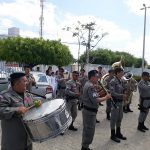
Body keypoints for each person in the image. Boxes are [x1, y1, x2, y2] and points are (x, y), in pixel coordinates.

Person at [0, 72, 39, 150]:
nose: (27, 83)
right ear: (17, 83)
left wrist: (36, 104)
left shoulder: (27, 94)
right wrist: (16, 110)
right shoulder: (5, 95)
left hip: (27, 140)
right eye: (24, 81)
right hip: (13, 142)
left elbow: (31, 108)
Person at [81, 70, 111, 150]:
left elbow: (94, 96)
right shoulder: (90, 86)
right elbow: (95, 100)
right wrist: (106, 97)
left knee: (88, 130)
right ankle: (84, 147)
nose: (98, 78)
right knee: (89, 131)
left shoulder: (90, 84)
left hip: (89, 111)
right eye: (97, 77)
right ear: (92, 77)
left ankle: (85, 146)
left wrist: (101, 92)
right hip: (89, 112)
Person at [109, 67, 127, 143]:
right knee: (113, 119)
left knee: (120, 118)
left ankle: (118, 133)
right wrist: (121, 95)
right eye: (121, 72)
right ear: (117, 73)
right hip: (115, 103)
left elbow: (123, 89)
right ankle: (112, 135)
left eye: (122, 72)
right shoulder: (113, 81)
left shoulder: (121, 81)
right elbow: (112, 93)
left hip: (120, 103)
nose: (123, 74)